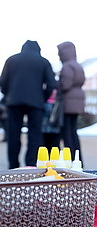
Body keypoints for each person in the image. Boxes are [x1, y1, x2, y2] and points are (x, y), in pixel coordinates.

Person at [0, 40, 57, 168]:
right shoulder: (43, 62)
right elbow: (52, 85)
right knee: (35, 135)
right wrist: (42, 97)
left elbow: (2, 82)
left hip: (13, 102)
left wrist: (9, 95)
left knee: (13, 134)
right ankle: (31, 164)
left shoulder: (11, 60)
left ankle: (13, 165)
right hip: (35, 103)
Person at [57, 41, 85, 162]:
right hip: (78, 102)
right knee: (74, 132)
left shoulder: (67, 66)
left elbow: (65, 85)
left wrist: (58, 83)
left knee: (67, 133)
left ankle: (71, 159)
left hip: (68, 103)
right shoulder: (78, 65)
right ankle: (78, 160)